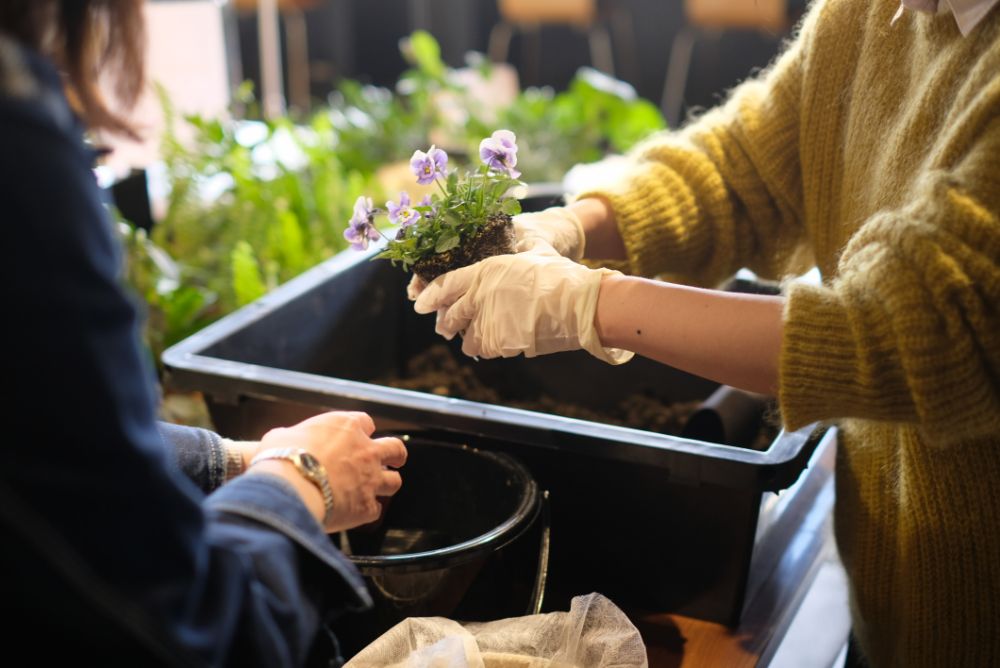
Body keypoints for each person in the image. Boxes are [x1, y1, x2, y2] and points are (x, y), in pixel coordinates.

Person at [413, 1, 1000, 666]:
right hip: (892, 593)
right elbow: (739, 170)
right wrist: (571, 228)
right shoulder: (870, 14)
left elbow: (907, 331)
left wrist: (590, 303)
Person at [0, 1, 406, 665]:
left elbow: (42, 445)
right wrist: (300, 481)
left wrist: (234, 462)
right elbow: (184, 626)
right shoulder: (16, 147)